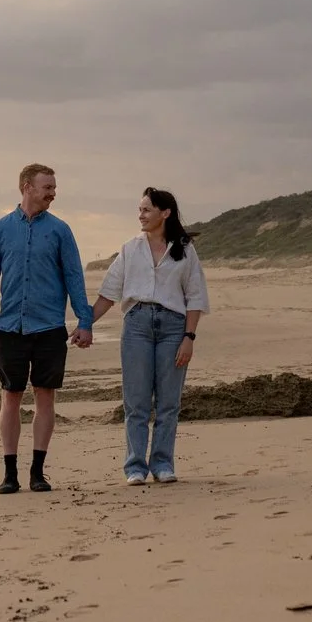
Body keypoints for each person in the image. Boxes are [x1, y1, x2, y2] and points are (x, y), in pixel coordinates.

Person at [0, 163, 94, 494]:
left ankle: (37, 472)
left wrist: (84, 321)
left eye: (54, 187)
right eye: (48, 187)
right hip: (11, 327)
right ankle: (10, 474)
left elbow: (74, 277)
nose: (53, 193)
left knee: (45, 397)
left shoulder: (60, 230)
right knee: (10, 397)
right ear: (27, 187)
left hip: (49, 328)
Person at [88, 188, 208, 485]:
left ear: (164, 213)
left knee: (169, 402)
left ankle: (163, 464)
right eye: (139, 210)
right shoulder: (130, 248)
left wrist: (189, 337)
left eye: (146, 210)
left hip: (173, 327)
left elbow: (195, 297)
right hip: (137, 325)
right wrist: (84, 324)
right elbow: (109, 294)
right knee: (137, 401)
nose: (140, 215)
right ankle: (135, 467)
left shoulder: (185, 249)